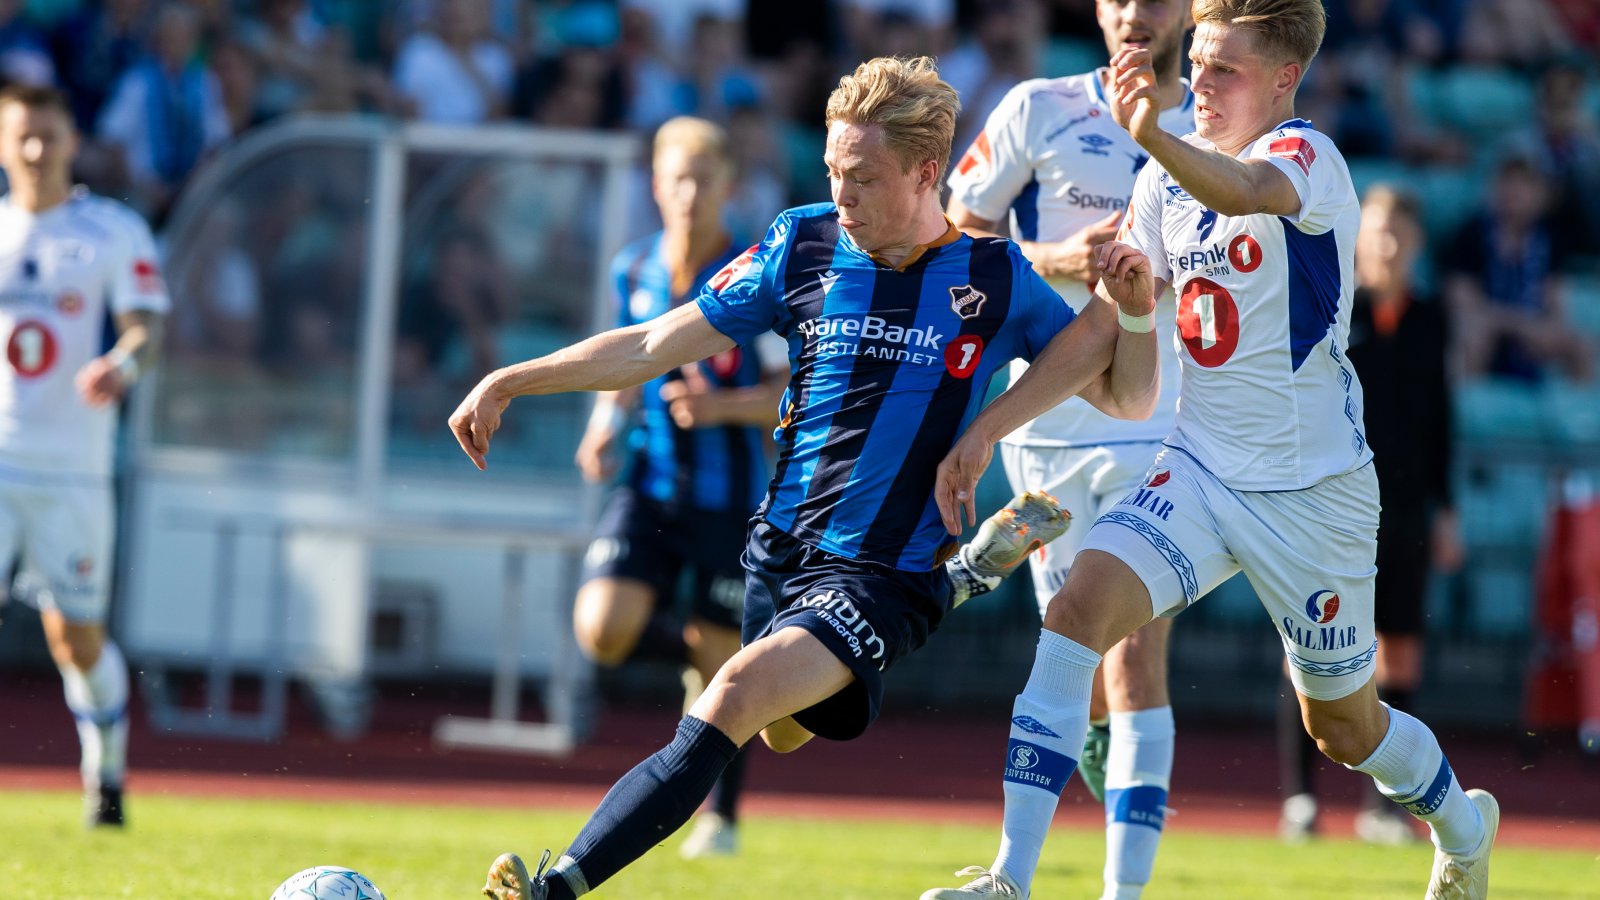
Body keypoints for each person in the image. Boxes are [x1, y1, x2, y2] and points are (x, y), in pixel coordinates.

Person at [453, 55, 1161, 900]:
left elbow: (1125, 393)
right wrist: (511, 380)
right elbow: (650, 345)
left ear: (927, 171)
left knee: (733, 693)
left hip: (880, 576)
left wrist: (1138, 313)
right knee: (780, 733)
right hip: (779, 552)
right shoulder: (804, 243)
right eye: (831, 170)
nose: (842, 193)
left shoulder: (997, 277)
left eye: (861, 176)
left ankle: (555, 885)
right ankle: (965, 576)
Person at [923, 2, 1500, 899]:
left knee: (1342, 729)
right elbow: (1102, 329)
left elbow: (1248, 193)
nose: (1199, 81)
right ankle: (1009, 878)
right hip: (1195, 466)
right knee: (1075, 614)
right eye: (1196, 62)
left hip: (1313, 494)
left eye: (1224, 68)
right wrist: (988, 428)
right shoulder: (1166, 177)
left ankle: (1463, 830)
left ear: (1283, 80)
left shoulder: (1309, 159)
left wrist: (1148, 132)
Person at [940, 2, 1195, 897]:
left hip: (1160, 421)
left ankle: (1102, 888)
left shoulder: (1216, 125)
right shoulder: (1038, 106)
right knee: (1073, 649)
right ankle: (1031, 844)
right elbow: (955, 236)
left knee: (1133, 655)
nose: (1136, 12)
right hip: (1049, 422)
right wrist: (1050, 255)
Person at [569, 115, 788, 859]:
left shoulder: (752, 274)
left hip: (730, 500)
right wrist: (603, 422)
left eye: (703, 178)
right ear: (656, 186)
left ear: (728, 186)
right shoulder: (632, 270)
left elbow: (790, 391)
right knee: (601, 631)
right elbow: (622, 369)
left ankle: (721, 817)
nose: (689, 193)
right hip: (650, 485)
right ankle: (693, 648)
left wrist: (721, 406)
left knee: (728, 667)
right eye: (675, 179)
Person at [0, 85, 169, 827]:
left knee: (75, 638)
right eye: (23, 136)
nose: (37, 150)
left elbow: (146, 329)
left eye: (50, 135)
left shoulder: (111, 231)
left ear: (73, 141)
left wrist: (121, 367)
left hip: (72, 470)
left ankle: (105, 777)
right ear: (4, 143)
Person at [1277, 184, 1465, 845]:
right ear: (1359, 238)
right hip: (1331, 506)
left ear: (1415, 245)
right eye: (1378, 231)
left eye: (1400, 234)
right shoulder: (1333, 307)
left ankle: (1384, 807)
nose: (1387, 245)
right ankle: (1301, 799)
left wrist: (1448, 509)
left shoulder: (1431, 317)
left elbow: (1441, 418)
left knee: (1399, 655)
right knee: (1310, 651)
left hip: (1408, 508)